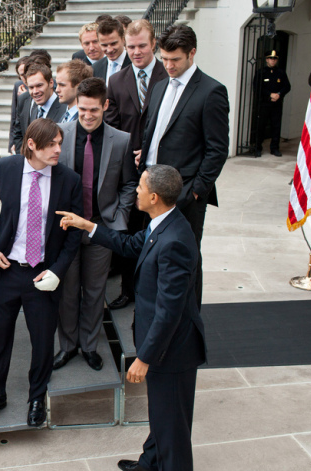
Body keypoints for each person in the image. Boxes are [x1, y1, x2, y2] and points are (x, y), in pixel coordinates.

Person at [57, 164, 206, 471]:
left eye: (139, 187)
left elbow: (170, 312)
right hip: (164, 344)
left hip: (174, 350)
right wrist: (87, 225)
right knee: (162, 413)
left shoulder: (175, 243)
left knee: (172, 421)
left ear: (153, 197)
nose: (135, 191)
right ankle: (153, 462)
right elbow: (128, 244)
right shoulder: (162, 225)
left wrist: (144, 357)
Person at [0, 119, 82, 426]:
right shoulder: (6, 169)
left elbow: (74, 234)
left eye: (60, 143)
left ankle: (37, 397)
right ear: (32, 144)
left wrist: (57, 271)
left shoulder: (69, 180)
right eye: (52, 144)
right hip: (7, 269)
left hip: (43, 274)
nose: (58, 150)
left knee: (42, 341)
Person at [138, 24, 229, 306]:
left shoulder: (212, 91)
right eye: (164, 58)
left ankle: (188, 322)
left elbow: (217, 150)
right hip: (151, 189)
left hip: (185, 196)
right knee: (153, 257)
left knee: (185, 263)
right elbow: (155, 131)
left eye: (175, 59)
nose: (168, 65)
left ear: (192, 53)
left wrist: (196, 192)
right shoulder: (159, 86)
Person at [52, 76, 136, 371]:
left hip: (102, 227)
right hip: (68, 228)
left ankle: (89, 346)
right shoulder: (59, 134)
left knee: (95, 290)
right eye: (82, 109)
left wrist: (119, 217)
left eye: (94, 110)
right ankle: (68, 345)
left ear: (105, 106)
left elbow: (129, 184)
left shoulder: (121, 140)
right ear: (76, 104)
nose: (87, 116)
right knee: (68, 290)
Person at [104, 18, 168, 311]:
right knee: (131, 235)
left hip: (164, 170)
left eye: (142, 45)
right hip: (131, 171)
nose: (136, 52)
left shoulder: (168, 75)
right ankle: (129, 290)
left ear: (153, 43)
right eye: (131, 47)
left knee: (161, 234)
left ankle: (158, 289)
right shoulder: (116, 81)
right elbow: (113, 129)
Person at [10, 63, 66, 154]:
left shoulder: (64, 109)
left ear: (51, 83)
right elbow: (19, 136)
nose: (35, 91)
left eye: (39, 85)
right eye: (31, 87)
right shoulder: (29, 107)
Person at [253, 50, 290, 157]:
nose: (272, 61)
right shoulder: (261, 72)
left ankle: (274, 148)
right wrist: (270, 94)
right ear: (266, 60)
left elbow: (287, 86)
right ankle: (257, 148)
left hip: (277, 104)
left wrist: (279, 94)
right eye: (270, 58)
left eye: (274, 59)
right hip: (264, 103)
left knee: (276, 126)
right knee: (261, 126)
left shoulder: (281, 72)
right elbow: (257, 87)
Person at [93, 19, 131, 85]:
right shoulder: (95, 68)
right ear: (99, 43)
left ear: (123, 39)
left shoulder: (135, 64)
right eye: (104, 45)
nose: (109, 50)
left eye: (113, 44)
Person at [55, 60, 93, 124]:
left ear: (79, 87)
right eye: (57, 85)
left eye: (62, 85)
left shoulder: (87, 120)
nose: (57, 90)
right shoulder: (61, 113)